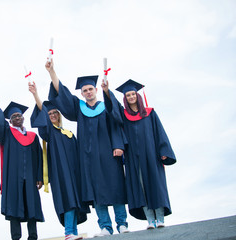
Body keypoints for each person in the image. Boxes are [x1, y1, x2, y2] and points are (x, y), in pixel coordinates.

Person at [45, 59, 130, 236]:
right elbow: (63, 94)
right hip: (89, 157)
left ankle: (122, 223)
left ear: (96, 90)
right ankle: (105, 226)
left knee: (115, 187)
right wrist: (52, 72)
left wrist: (118, 145)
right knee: (96, 191)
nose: (88, 92)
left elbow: (117, 121)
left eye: (91, 89)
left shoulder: (105, 106)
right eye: (85, 90)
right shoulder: (79, 108)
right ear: (82, 94)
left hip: (109, 154)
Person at [111, 79, 176, 229]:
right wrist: (107, 91)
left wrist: (163, 151)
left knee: (155, 186)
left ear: (137, 96)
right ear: (125, 98)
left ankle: (160, 219)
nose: (131, 97)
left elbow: (159, 133)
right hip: (134, 158)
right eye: (128, 95)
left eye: (133, 94)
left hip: (152, 155)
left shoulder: (150, 113)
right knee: (141, 187)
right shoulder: (124, 116)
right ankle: (150, 221)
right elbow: (113, 106)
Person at [29, 82, 89, 240]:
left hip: (75, 173)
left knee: (75, 201)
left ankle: (73, 233)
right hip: (60, 174)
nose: (53, 115)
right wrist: (36, 95)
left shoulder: (68, 133)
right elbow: (42, 116)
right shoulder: (49, 133)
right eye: (50, 114)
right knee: (68, 200)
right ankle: (69, 232)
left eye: (55, 113)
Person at [0, 79, 44, 240]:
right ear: (9, 121)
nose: (17, 117)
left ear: (23, 118)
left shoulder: (33, 136)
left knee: (31, 206)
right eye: (13, 116)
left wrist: (40, 177)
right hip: (13, 178)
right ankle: (16, 237)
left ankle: (33, 236)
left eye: (19, 115)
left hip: (31, 177)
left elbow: (39, 158)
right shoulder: (7, 133)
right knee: (14, 208)